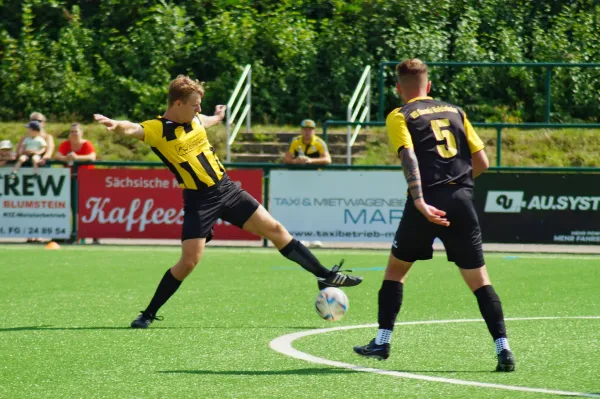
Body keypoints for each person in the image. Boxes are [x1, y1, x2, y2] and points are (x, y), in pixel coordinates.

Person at [94, 75, 362, 329]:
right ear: (178, 104)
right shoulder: (158, 129)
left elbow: (206, 120)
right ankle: (148, 313)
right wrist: (115, 124)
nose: (199, 109)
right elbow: (132, 127)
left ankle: (323, 274)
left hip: (227, 189)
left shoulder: (195, 118)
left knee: (277, 231)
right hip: (200, 201)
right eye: (195, 104)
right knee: (188, 262)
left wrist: (219, 117)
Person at [353, 59, 515, 372]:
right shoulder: (456, 111)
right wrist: (457, 189)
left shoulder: (400, 115)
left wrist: (421, 201)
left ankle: (382, 341)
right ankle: (504, 349)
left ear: (399, 89)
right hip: (461, 200)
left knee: (396, 271)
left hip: (424, 204)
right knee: (480, 280)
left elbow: (409, 157)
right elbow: (481, 161)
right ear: (429, 86)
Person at [55, 123, 99, 244]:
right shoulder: (65, 144)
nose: (73, 134)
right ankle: (75, 234)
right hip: (71, 180)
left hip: (86, 181)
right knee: (73, 208)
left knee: (88, 208)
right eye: (71, 132)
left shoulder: (87, 144)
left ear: (81, 133)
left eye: (76, 131)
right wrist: (66, 158)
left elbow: (92, 156)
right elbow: (58, 155)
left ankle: (94, 235)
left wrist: (76, 157)